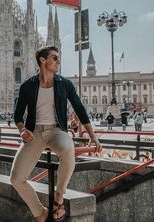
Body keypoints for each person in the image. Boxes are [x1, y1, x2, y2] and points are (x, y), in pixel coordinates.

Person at [10, 46, 102, 222]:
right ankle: (41, 213)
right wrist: (22, 130)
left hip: (56, 130)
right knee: (16, 178)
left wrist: (93, 136)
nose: (58, 61)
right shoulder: (28, 86)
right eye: (55, 58)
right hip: (34, 132)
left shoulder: (64, 84)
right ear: (43, 61)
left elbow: (80, 110)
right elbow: (18, 114)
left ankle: (58, 197)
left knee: (68, 150)